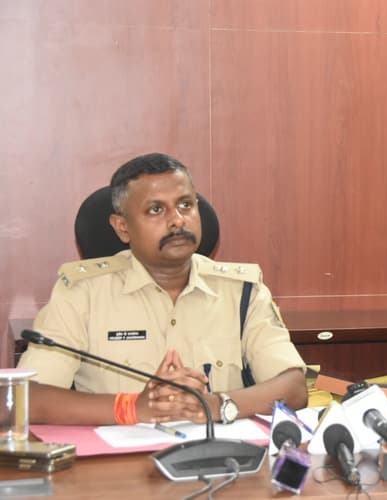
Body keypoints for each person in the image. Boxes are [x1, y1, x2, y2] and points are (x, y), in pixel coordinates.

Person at [18, 152, 308, 426]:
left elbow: (293, 387)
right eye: (156, 210)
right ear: (122, 227)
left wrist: (215, 405)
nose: (178, 220)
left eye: (186, 205)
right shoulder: (82, 294)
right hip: (119, 458)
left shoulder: (243, 291)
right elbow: (26, 398)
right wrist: (134, 408)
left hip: (221, 454)